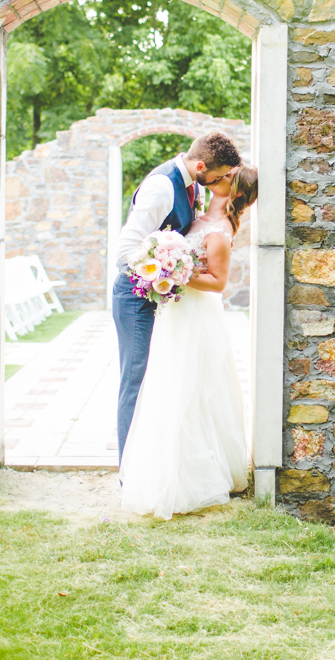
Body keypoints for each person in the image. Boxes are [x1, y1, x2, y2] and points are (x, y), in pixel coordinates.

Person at [120, 166, 259, 519]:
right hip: (177, 313)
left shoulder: (221, 231)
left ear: (235, 191)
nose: (215, 179)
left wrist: (176, 271)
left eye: (225, 178)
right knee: (169, 385)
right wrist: (167, 263)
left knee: (193, 388)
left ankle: (194, 475)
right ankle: (163, 465)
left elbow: (218, 282)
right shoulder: (198, 215)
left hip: (197, 316)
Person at [111, 131, 241, 460]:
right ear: (201, 165)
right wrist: (170, 269)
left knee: (164, 378)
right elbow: (126, 250)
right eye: (221, 174)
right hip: (135, 296)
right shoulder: (161, 187)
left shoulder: (194, 185)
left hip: (165, 296)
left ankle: (158, 461)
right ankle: (130, 469)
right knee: (135, 379)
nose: (223, 180)